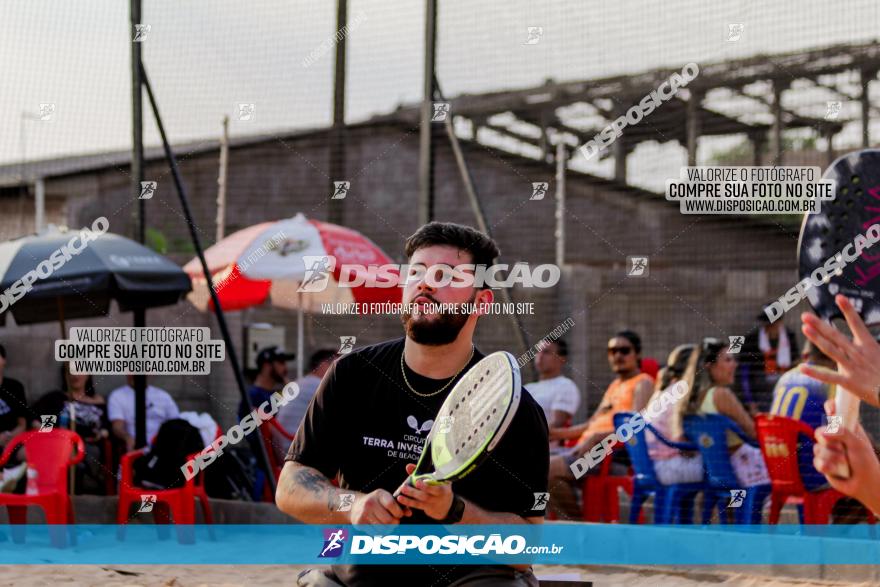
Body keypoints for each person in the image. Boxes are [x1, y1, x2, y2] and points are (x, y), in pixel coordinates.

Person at [277, 222, 549, 587]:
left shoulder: (516, 407)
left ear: (482, 301)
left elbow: (527, 546)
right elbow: (290, 487)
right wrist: (352, 504)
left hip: (471, 573)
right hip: (361, 568)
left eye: (446, 275)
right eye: (416, 272)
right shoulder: (353, 374)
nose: (425, 283)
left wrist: (455, 511)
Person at [546, 330, 653, 520]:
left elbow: (635, 428)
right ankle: (574, 525)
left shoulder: (643, 383)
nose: (617, 355)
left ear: (637, 354)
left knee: (547, 470)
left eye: (624, 350)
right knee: (530, 466)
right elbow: (590, 425)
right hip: (585, 450)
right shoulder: (614, 385)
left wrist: (597, 439)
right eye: (612, 351)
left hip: (610, 456)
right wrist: (554, 433)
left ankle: (577, 527)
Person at [798, 295, 880, 517]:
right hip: (817, 467)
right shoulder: (833, 380)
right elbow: (834, 424)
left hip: (799, 466)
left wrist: (872, 489)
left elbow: (834, 425)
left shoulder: (789, 377)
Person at [681, 338, 769, 488]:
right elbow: (754, 433)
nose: (735, 365)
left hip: (715, 473)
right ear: (709, 366)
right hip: (743, 468)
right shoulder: (721, 394)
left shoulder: (691, 399)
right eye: (728, 360)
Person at [769, 340, 836, 491]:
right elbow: (837, 432)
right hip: (814, 473)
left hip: (779, 471)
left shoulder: (784, 378)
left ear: (805, 355)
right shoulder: (832, 380)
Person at [645, 344, 704, 485]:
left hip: (651, 466)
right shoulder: (683, 394)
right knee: (724, 466)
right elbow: (682, 444)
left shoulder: (661, 392)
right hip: (669, 467)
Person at [273, 349, 339, 460]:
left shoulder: (301, 383)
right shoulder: (318, 385)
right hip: (298, 450)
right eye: (338, 365)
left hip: (286, 447)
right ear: (324, 365)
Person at [737, 312, 799, 414]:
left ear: (779, 322)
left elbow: (796, 364)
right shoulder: (751, 339)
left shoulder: (789, 336)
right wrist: (750, 402)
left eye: (772, 323)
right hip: (761, 394)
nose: (768, 327)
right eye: (766, 324)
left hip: (784, 389)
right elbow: (743, 373)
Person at [108, 374, 180, 452]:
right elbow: (117, 427)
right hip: (136, 448)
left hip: (163, 447)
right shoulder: (117, 396)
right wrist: (127, 438)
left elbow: (176, 423)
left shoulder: (163, 396)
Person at [524, 339, 580, 428]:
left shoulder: (566, 386)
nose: (540, 356)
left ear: (561, 359)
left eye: (546, 352)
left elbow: (555, 426)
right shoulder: (527, 388)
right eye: (538, 351)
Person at [0, 344, 29, 492]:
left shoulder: (14, 387)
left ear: (4, 360)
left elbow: (22, 423)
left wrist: (11, 437)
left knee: (31, 453)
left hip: (14, 441)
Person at [240, 346, 295, 420]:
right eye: (281, 362)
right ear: (266, 366)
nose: (285, 368)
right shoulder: (253, 395)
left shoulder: (275, 394)